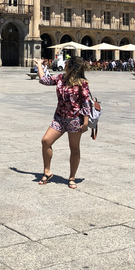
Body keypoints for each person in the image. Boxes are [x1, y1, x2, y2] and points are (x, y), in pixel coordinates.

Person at [35, 55, 90, 189]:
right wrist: (39, 65)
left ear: (71, 67)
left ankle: (72, 177)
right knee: (46, 141)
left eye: (66, 63)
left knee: (74, 148)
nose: (64, 65)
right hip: (59, 118)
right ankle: (47, 172)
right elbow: (44, 80)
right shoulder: (60, 78)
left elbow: (86, 102)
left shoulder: (82, 83)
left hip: (75, 119)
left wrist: (86, 121)